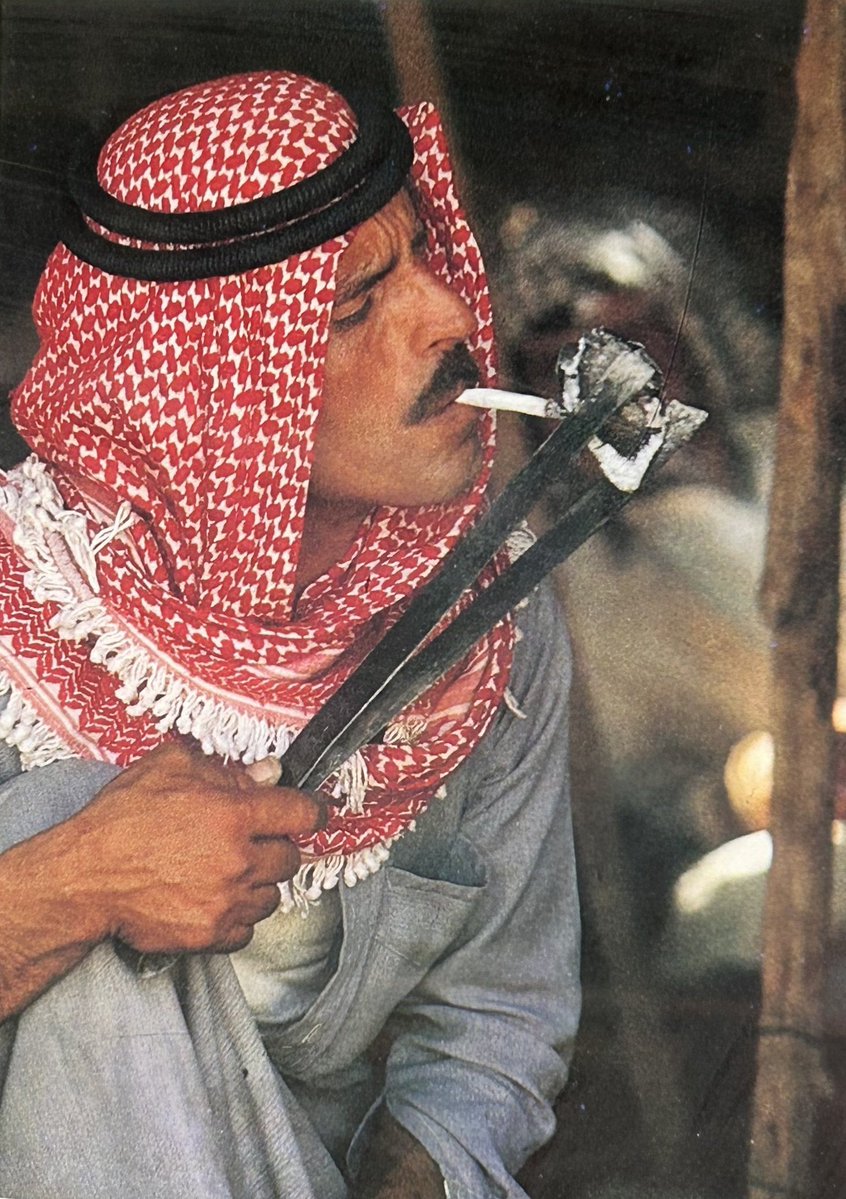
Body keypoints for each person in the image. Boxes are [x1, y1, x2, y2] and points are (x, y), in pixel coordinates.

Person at [0, 72, 579, 1199]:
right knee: (61, 819)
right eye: (358, 305)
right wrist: (74, 883)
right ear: (211, 392)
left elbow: (494, 1026)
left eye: (423, 258)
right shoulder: (23, 608)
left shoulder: (487, 617)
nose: (454, 317)